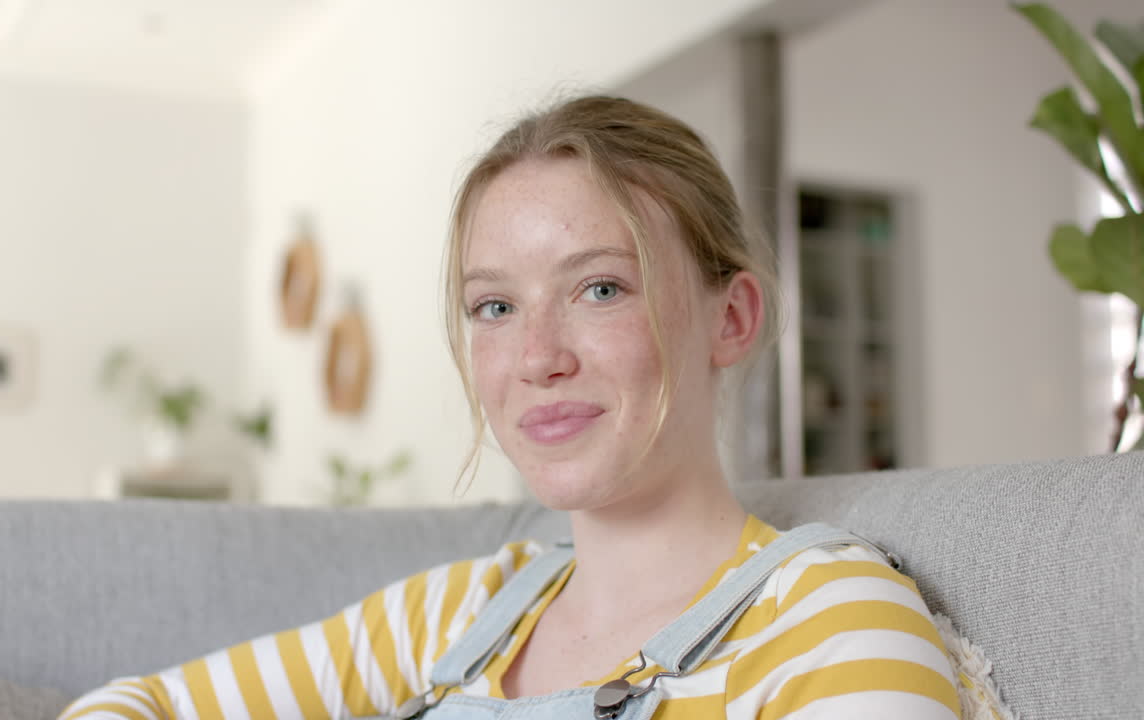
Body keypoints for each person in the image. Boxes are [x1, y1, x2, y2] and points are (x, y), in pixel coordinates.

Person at [59, 95, 961, 719]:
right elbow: (146, 703)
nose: (537, 358)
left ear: (732, 318)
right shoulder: (460, 612)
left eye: (601, 289)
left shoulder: (831, 624)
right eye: (495, 306)